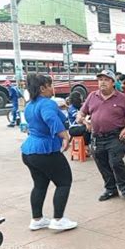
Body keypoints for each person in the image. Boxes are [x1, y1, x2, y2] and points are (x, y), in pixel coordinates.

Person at [21, 74, 77, 231]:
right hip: (45, 151)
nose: (53, 88)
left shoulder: (30, 105)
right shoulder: (47, 104)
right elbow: (50, 119)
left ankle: (37, 219)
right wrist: (64, 135)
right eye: (50, 85)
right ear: (42, 88)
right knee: (64, 181)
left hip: (29, 152)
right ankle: (58, 219)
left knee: (39, 185)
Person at [77, 69, 125, 201]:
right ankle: (111, 189)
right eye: (100, 80)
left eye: (106, 80)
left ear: (113, 83)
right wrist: (83, 120)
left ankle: (124, 187)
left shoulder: (121, 97)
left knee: (115, 162)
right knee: (102, 163)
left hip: (115, 136)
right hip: (97, 137)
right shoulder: (92, 96)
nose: (102, 82)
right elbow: (81, 113)